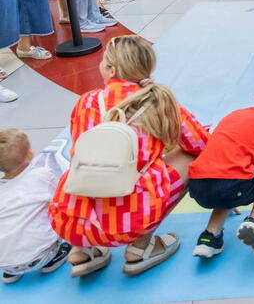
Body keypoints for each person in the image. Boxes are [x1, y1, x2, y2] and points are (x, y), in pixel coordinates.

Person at [49, 36, 210, 276]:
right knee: (189, 157)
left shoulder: (86, 101)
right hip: (131, 222)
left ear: (111, 69)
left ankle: (82, 251)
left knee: (85, 164)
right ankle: (140, 248)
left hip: (70, 220)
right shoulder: (159, 101)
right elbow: (200, 144)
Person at [188, 73, 254, 263]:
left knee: (229, 184)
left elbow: (219, 158)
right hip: (232, 183)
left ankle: (209, 238)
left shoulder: (232, 116)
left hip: (197, 184)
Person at [0, 128, 71, 283]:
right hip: (40, 256)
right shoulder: (41, 175)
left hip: (3, 263)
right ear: (30, 155)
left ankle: (11, 271)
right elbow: (61, 199)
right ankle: (56, 255)